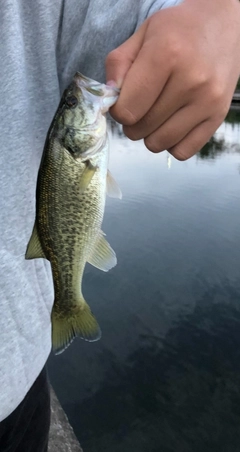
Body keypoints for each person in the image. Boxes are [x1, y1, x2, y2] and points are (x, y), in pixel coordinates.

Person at [0, 0, 239, 450]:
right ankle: (68, 303)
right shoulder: (80, 151)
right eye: (74, 102)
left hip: (15, 385)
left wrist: (221, 13)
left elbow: (153, 20)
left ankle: (66, 304)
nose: (78, 94)